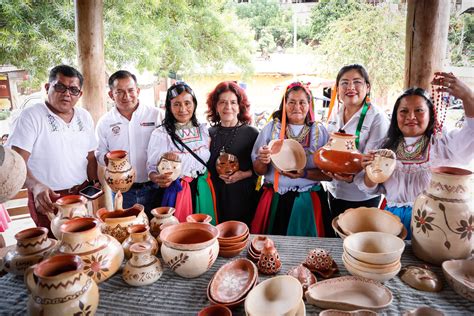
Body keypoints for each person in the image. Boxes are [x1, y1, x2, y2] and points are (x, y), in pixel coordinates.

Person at [356, 72, 474, 239]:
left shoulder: (443, 145)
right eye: (403, 111)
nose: (411, 117)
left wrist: (468, 96)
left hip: (433, 224)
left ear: (430, 114)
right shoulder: (385, 148)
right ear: (396, 116)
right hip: (391, 222)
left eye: (419, 110)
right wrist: (370, 170)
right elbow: (372, 188)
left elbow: (472, 131)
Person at [7, 65, 98, 235]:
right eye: (60, 86)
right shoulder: (31, 116)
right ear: (48, 87)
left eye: (73, 90)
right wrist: (36, 186)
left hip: (80, 195)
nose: (66, 93)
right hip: (48, 198)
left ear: (80, 94)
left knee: (83, 245)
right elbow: (17, 163)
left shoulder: (84, 116)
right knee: (55, 250)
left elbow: (90, 157)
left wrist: (93, 185)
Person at [251, 82, 332, 237]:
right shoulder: (271, 129)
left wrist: (304, 174)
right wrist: (263, 159)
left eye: (302, 102)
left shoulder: (320, 131)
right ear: (284, 104)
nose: (297, 107)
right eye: (292, 102)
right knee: (272, 250)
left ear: (309, 105)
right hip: (275, 199)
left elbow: (329, 174)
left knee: (309, 252)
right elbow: (258, 170)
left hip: (309, 201)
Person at [324, 64, 390, 219]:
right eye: (344, 83)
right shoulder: (335, 113)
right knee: (335, 237)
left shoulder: (377, 117)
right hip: (333, 191)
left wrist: (353, 176)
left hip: (361, 196)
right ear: (338, 88)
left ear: (367, 87)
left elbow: (374, 162)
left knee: (357, 240)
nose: (350, 87)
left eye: (357, 82)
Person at [95, 70, 164, 217]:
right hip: (122, 190)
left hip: (155, 186)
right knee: (126, 231)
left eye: (131, 90)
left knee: (157, 229)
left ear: (138, 91)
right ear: (111, 95)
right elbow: (99, 152)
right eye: (119, 92)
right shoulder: (105, 122)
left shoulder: (156, 115)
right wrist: (110, 160)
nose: (126, 96)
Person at [147, 82, 216, 224]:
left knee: (204, 233)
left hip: (202, 188)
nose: (183, 109)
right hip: (177, 191)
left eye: (187, 103)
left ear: (194, 104)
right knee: (180, 235)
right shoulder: (161, 134)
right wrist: (157, 178)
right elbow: (152, 168)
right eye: (177, 104)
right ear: (169, 107)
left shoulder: (203, 131)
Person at [206, 81, 259, 225]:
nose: (228, 107)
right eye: (222, 102)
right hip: (214, 198)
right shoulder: (208, 134)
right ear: (216, 106)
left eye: (233, 102)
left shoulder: (252, 133)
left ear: (239, 107)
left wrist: (243, 174)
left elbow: (262, 170)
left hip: (243, 199)